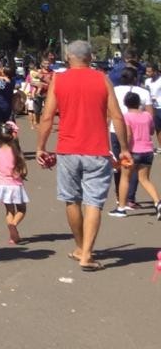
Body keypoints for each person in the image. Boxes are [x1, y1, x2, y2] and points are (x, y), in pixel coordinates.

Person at [36, 40, 131, 272]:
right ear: (90, 58)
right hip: (97, 150)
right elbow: (117, 116)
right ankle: (86, 253)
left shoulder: (59, 79)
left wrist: (41, 146)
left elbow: (47, 117)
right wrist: (125, 148)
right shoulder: (102, 79)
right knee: (94, 203)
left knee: (72, 199)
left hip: (68, 149)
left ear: (68, 57)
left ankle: (80, 246)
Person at [107, 66, 151, 216]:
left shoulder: (114, 90)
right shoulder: (144, 92)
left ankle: (120, 199)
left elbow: (108, 111)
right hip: (138, 135)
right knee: (136, 167)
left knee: (119, 165)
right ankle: (130, 198)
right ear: (136, 78)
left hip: (115, 130)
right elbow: (150, 113)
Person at [115, 92, 161, 219]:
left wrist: (124, 149)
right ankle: (158, 202)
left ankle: (121, 208)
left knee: (125, 179)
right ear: (139, 102)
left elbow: (128, 135)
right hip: (147, 151)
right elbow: (152, 131)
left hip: (133, 151)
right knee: (144, 179)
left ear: (125, 103)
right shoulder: (147, 115)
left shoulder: (126, 116)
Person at [0, 122, 30, 244]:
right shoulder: (17, 152)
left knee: (9, 211)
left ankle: (13, 236)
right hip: (15, 185)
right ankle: (13, 225)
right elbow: (24, 170)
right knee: (22, 209)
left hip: (2, 185)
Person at [28, 58, 53, 129]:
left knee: (48, 111)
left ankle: (46, 124)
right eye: (45, 63)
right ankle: (37, 123)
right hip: (38, 94)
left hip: (48, 94)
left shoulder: (52, 72)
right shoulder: (38, 72)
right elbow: (31, 82)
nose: (47, 65)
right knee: (37, 110)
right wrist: (37, 84)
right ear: (42, 64)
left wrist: (44, 84)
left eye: (48, 63)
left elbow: (53, 83)